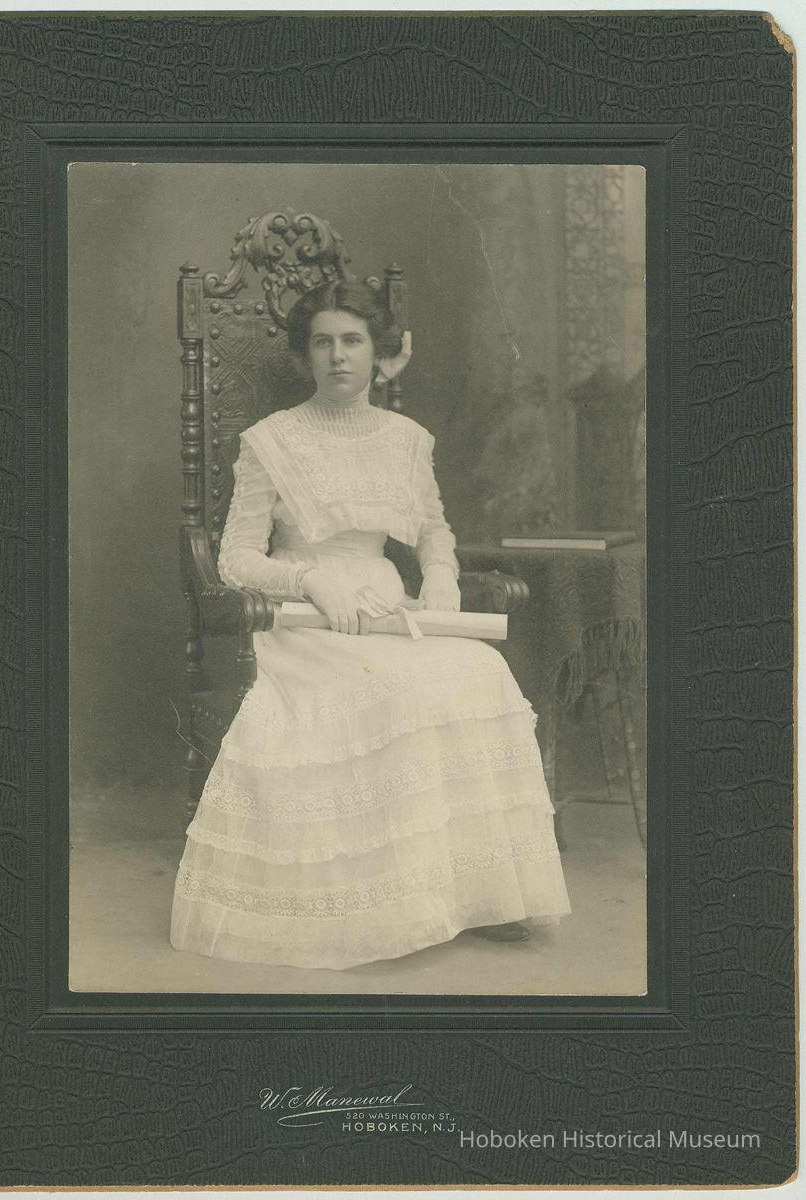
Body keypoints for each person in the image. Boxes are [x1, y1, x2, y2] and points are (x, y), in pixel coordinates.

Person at [170, 281, 571, 970]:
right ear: (305, 355)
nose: (338, 356)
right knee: (398, 692)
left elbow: (433, 530)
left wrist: (440, 576)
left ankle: (474, 892)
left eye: (352, 340)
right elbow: (234, 558)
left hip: (390, 611)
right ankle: (387, 901)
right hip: (304, 622)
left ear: (377, 352)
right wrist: (308, 579)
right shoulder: (272, 441)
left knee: (479, 670)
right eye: (322, 342)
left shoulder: (407, 440)